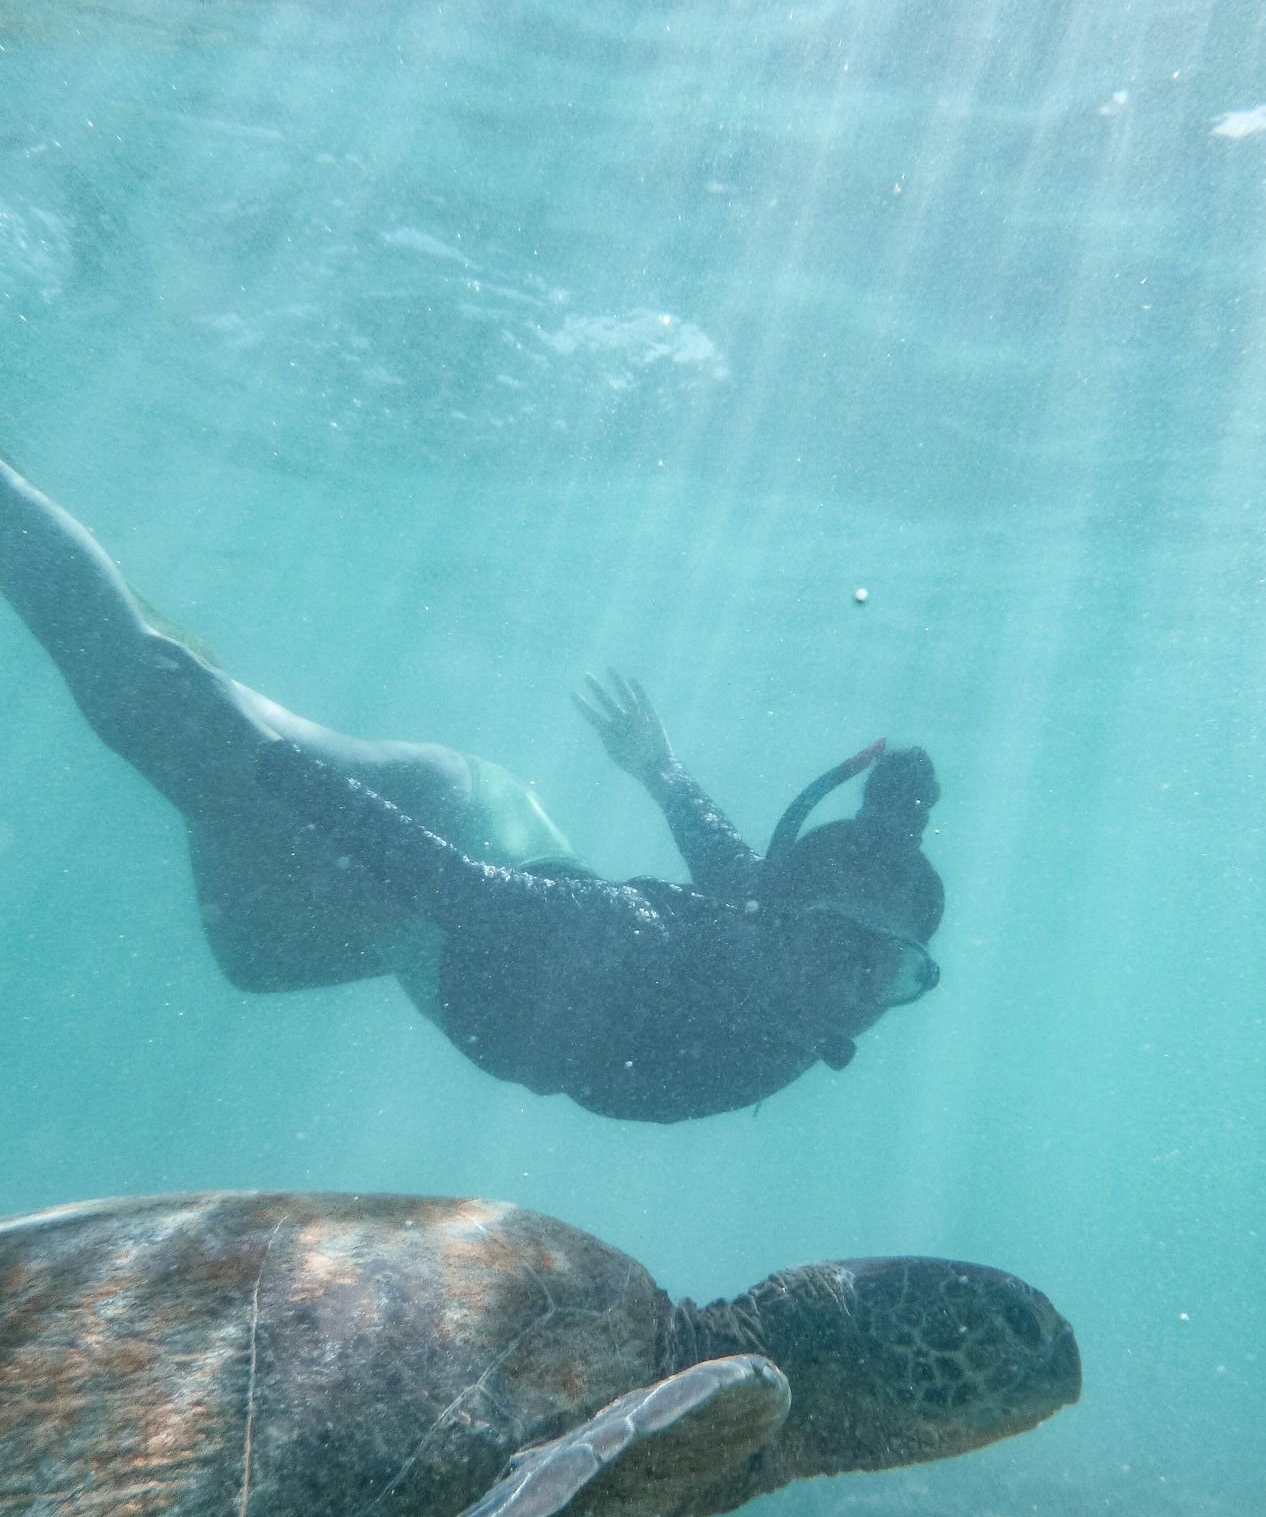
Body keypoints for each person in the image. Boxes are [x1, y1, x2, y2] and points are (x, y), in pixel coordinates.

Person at [0, 456, 944, 1123]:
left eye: (893, 971)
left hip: (447, 941)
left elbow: (737, 871)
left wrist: (662, 772)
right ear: (789, 925)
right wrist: (265, 762)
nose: (858, 992)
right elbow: (447, 881)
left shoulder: (779, 968)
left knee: (253, 953)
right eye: (841, 951)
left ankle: (209, 696)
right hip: (459, 831)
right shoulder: (631, 944)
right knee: (154, 710)